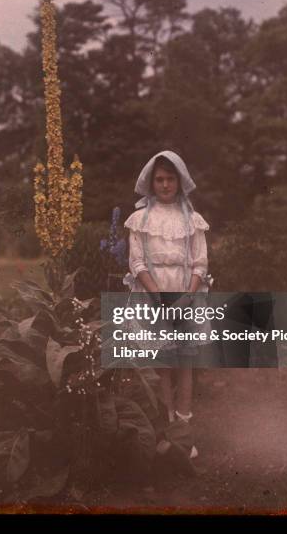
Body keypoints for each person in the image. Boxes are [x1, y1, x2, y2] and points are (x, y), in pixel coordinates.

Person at [123, 151, 219, 460]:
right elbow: (137, 262)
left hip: (186, 296)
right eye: (159, 179)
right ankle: (167, 432)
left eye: (170, 179)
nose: (165, 185)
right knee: (163, 366)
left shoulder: (192, 219)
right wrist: (159, 299)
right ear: (151, 183)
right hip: (154, 297)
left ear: (180, 180)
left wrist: (187, 297)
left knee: (184, 365)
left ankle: (185, 433)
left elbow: (200, 264)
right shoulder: (140, 219)